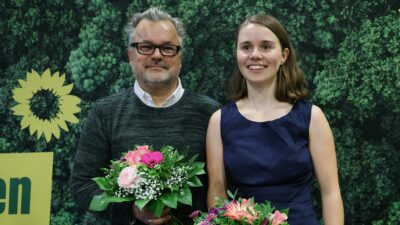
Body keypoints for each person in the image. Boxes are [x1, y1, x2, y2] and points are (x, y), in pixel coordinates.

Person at [70, 7, 219, 225]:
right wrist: (131, 210)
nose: (157, 55)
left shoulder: (211, 113)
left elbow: (225, 187)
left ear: (180, 57)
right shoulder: (104, 113)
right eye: (146, 47)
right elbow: (82, 189)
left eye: (167, 48)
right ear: (131, 54)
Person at [206, 13, 344, 225]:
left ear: (284, 55)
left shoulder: (311, 117)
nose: (255, 55)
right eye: (246, 47)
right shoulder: (219, 121)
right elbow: (217, 194)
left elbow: (331, 193)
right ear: (237, 54)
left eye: (266, 47)